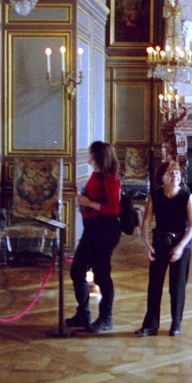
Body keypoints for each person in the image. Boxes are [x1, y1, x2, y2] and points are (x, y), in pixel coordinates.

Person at [135, 160, 192, 336]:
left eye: (177, 173)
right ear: (162, 178)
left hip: (181, 243)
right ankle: (150, 325)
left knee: (177, 286)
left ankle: (175, 324)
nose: (174, 175)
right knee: (154, 285)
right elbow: (146, 221)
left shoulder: (186, 196)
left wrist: (180, 247)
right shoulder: (155, 196)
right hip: (160, 242)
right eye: (170, 173)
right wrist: (146, 244)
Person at [66, 141, 122, 333]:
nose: (88, 157)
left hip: (105, 230)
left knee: (102, 275)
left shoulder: (110, 177)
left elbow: (114, 209)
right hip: (91, 229)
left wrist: (88, 203)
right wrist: (83, 201)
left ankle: (106, 318)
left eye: (90, 154)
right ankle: (83, 314)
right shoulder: (96, 175)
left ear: (97, 156)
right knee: (77, 270)